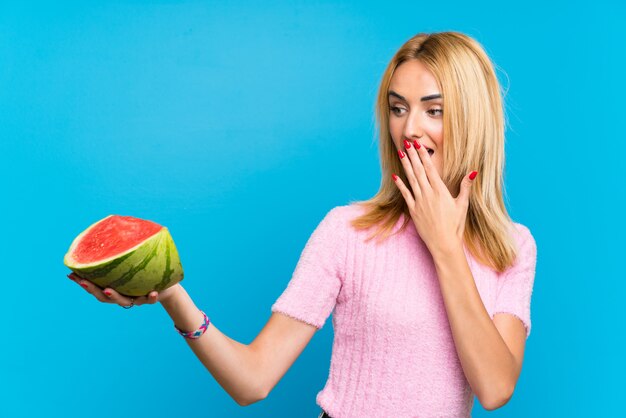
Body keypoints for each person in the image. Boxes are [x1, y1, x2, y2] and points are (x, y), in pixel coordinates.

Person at [68, 31, 537, 418]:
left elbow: (495, 389)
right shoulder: (347, 232)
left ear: (472, 120)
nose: (410, 128)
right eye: (398, 108)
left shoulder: (512, 248)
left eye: (433, 110)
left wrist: (446, 248)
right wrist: (171, 294)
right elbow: (253, 381)